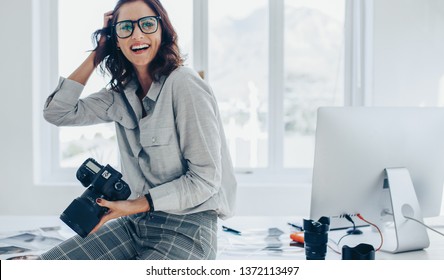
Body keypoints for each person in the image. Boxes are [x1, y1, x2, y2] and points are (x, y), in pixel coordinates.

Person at [40, 0, 237, 260]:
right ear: (116, 40)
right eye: (125, 28)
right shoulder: (120, 95)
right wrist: (98, 52)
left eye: (147, 24)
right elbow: (57, 112)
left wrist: (132, 205)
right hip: (136, 225)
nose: (137, 34)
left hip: (188, 228)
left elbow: (205, 180)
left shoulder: (184, 84)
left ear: (162, 31)